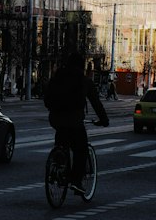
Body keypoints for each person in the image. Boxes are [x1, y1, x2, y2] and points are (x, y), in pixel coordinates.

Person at [43, 53, 109, 192]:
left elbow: (47, 97)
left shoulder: (57, 77)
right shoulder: (84, 81)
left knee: (62, 140)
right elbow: (96, 104)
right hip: (73, 120)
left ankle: (58, 166)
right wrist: (104, 120)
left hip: (55, 118)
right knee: (81, 149)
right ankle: (76, 181)